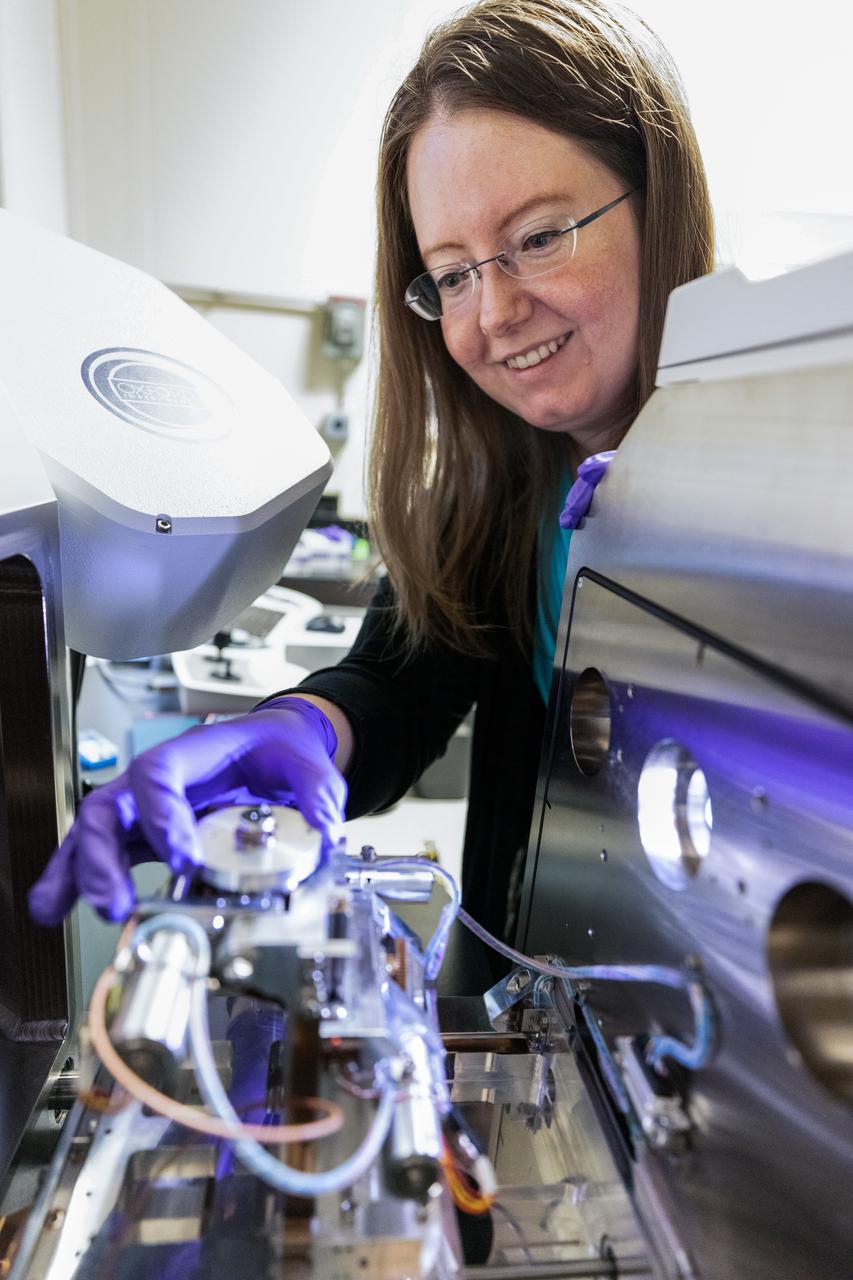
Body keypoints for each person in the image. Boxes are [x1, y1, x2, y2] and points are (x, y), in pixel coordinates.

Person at [29, 0, 714, 945]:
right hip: (543, 995)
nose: (496, 311)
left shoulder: (796, 471)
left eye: (540, 236)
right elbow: (401, 684)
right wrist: (303, 729)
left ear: (658, 197)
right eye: (454, 272)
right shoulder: (501, 485)